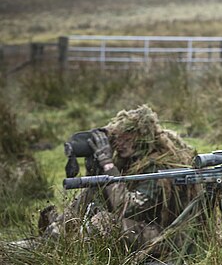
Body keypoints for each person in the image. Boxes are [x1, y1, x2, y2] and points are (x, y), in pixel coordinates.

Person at [40, 105, 199, 251]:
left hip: (164, 236)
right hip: (139, 226)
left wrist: (108, 164)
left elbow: (127, 209)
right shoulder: (130, 160)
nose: (120, 144)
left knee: (103, 221)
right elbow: (100, 195)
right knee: (91, 193)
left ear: (142, 138)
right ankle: (55, 235)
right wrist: (95, 168)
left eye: (127, 139)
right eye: (117, 138)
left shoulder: (157, 167)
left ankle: (69, 249)